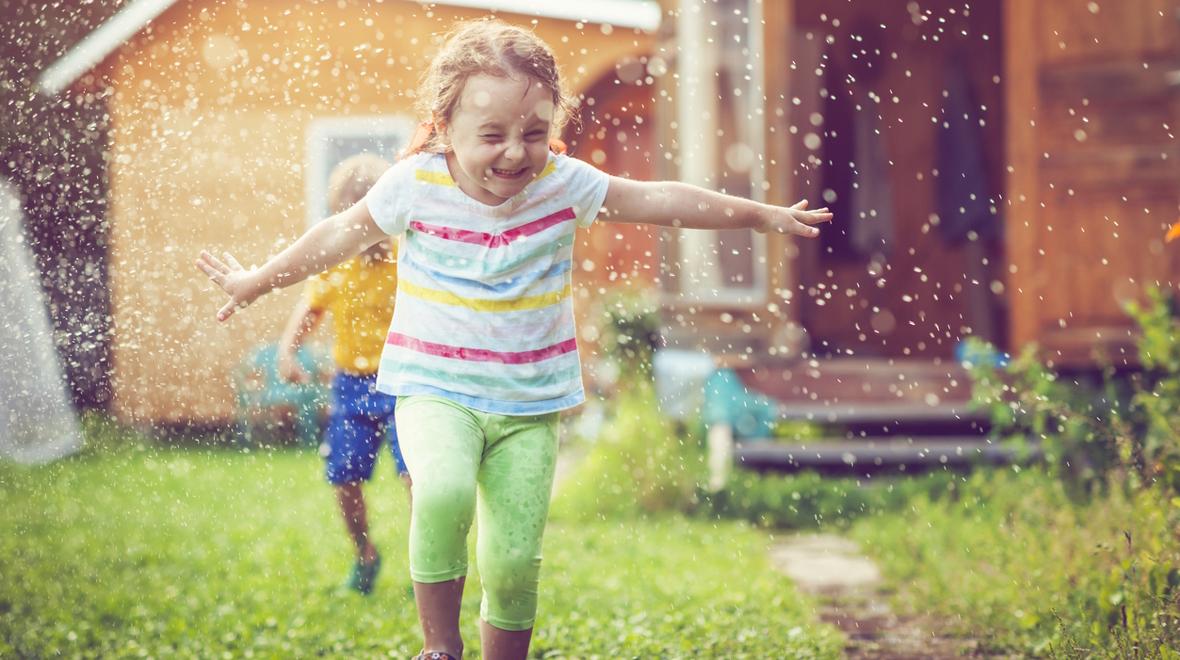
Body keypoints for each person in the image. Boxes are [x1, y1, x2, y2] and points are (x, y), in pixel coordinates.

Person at [196, 19, 831, 660]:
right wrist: (258, 280)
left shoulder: (564, 184)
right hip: (435, 388)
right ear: (444, 126)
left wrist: (760, 214)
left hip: (529, 405)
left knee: (513, 557)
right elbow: (338, 234)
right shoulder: (414, 185)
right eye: (492, 135)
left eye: (533, 132)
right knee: (439, 492)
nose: (514, 153)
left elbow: (662, 198)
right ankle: (440, 648)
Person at [275, 153, 412, 596]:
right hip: (353, 386)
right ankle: (365, 553)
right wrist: (288, 350)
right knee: (344, 477)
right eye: (353, 213)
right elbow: (310, 307)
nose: (363, 226)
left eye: (370, 212)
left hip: (405, 383)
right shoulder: (336, 262)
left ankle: (427, 565)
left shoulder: (405, 256)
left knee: (418, 479)